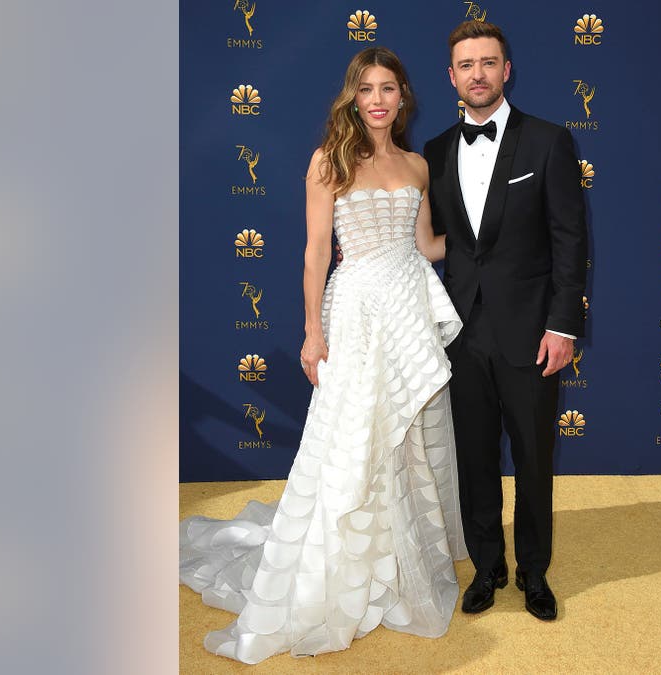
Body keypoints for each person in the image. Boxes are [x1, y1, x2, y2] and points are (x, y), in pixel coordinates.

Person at [179, 46, 467, 663]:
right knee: (355, 437)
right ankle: (346, 567)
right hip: (357, 311)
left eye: (390, 88)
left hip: (407, 310)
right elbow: (315, 252)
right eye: (368, 89)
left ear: (403, 97)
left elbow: (427, 247)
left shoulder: (418, 166)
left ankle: (401, 561)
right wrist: (313, 331)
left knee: (410, 433)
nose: (380, 99)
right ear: (353, 98)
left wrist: (492, 232)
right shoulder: (328, 162)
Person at [423, 20, 589, 622]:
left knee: (534, 459)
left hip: (531, 332)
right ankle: (487, 567)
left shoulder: (548, 141)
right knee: (473, 458)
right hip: (461, 332)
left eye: (488, 63)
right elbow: (435, 240)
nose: (478, 74)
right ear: (452, 76)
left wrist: (563, 325)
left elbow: (570, 241)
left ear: (506, 69)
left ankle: (534, 573)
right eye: (466, 65)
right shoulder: (437, 150)